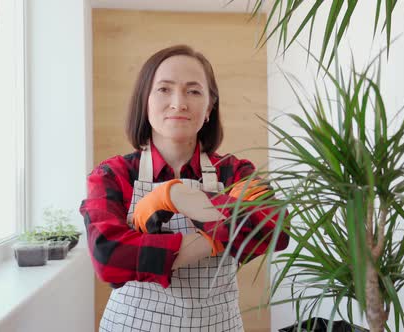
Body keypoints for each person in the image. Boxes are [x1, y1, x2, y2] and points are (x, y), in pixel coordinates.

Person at [79, 44, 289, 332]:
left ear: (209, 108)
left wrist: (175, 196)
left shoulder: (235, 171)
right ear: (145, 101)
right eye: (164, 89)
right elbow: (109, 256)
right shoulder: (114, 175)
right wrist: (215, 239)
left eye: (193, 91)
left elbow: (272, 230)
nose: (179, 103)